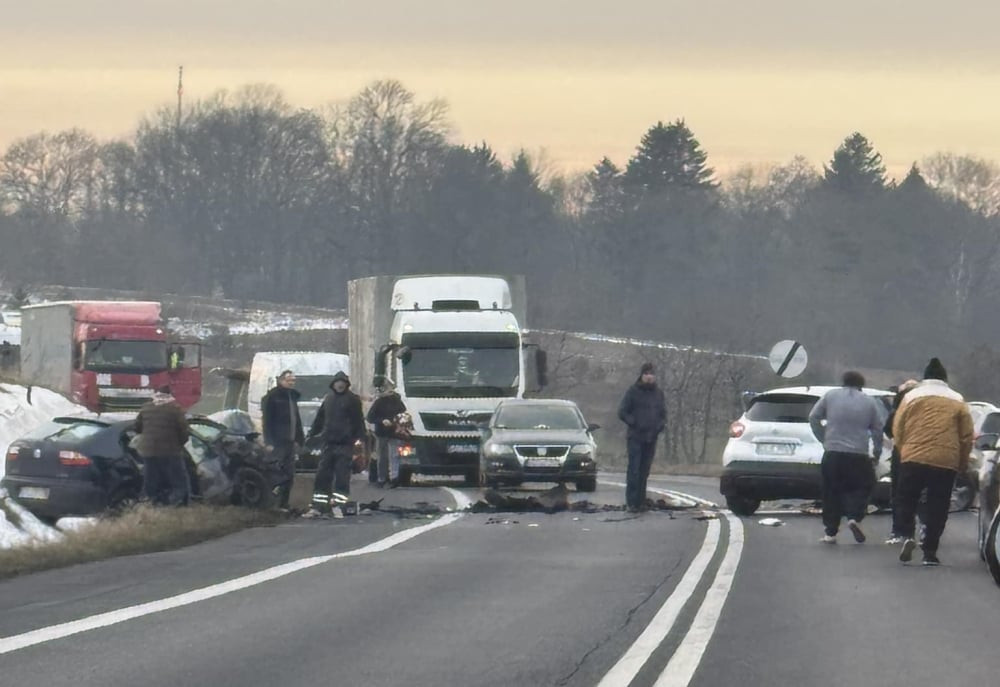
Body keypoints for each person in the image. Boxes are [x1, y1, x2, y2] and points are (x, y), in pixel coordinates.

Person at [892, 357, 974, 566]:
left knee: (906, 498)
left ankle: (906, 534)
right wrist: (962, 462)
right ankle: (930, 551)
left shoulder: (911, 396)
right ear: (945, 378)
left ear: (925, 377)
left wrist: (904, 451)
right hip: (945, 460)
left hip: (913, 456)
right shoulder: (957, 399)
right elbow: (966, 436)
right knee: (938, 505)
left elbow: (898, 427)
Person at [808, 371, 884, 544]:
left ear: (843, 382)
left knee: (831, 491)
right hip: (858, 454)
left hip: (833, 452)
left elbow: (813, 417)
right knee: (864, 486)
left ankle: (830, 532)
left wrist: (823, 437)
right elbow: (878, 429)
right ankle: (854, 516)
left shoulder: (830, 396)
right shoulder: (869, 401)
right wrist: (877, 452)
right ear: (861, 384)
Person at [305, 371, 366, 518]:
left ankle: (339, 505)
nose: (340, 385)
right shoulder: (328, 399)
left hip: (345, 445)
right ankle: (318, 506)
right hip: (328, 443)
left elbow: (358, 420)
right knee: (322, 475)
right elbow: (320, 419)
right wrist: (312, 434)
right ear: (333, 384)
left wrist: (361, 438)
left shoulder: (352, 400)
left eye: (343, 383)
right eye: (338, 383)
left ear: (346, 385)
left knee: (342, 476)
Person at [617, 362, 667, 513]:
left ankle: (641, 501)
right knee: (634, 469)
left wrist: (659, 427)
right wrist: (634, 423)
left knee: (644, 471)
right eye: (646, 374)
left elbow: (663, 414)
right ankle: (632, 502)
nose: (649, 377)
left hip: (651, 437)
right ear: (641, 375)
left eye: (651, 374)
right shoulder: (633, 391)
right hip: (635, 436)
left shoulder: (658, 393)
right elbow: (622, 412)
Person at [134, 385, 190, 506]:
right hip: (170, 451)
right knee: (178, 481)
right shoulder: (175, 408)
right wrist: (180, 444)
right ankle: (174, 504)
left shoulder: (146, 407)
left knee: (150, 480)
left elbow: (137, 428)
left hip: (148, 451)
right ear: (170, 395)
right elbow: (184, 431)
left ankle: (147, 504)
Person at [883, 379, 919, 544]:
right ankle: (916, 531)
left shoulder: (899, 408)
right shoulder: (923, 407)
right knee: (918, 494)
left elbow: (888, 430)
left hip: (901, 452)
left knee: (899, 493)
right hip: (921, 452)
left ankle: (899, 531)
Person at [261, 369, 305, 509]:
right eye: (288, 380)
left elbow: (296, 420)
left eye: (293, 380)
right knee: (276, 473)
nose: (291, 383)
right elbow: (267, 421)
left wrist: (300, 439)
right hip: (278, 442)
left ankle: (283, 504)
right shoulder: (273, 397)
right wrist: (269, 441)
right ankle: (271, 503)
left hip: (290, 442)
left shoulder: (292, 397)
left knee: (289, 474)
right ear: (280, 380)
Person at [366, 375, 408, 488]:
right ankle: (382, 478)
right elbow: (370, 417)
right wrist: (382, 421)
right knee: (382, 457)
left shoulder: (396, 400)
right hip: (382, 433)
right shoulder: (379, 401)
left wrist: (398, 421)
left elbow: (403, 413)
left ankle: (394, 478)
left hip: (394, 432)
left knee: (394, 455)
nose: (389, 390)